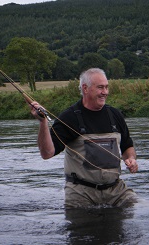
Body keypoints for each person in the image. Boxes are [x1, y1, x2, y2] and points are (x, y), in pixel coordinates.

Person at [29, 68, 138, 208]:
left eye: (106, 87)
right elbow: (47, 153)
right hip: (81, 194)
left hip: (116, 191)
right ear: (85, 88)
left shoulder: (115, 115)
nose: (105, 92)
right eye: (100, 87)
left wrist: (131, 159)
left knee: (144, 210)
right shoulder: (69, 117)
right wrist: (43, 122)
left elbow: (127, 146)